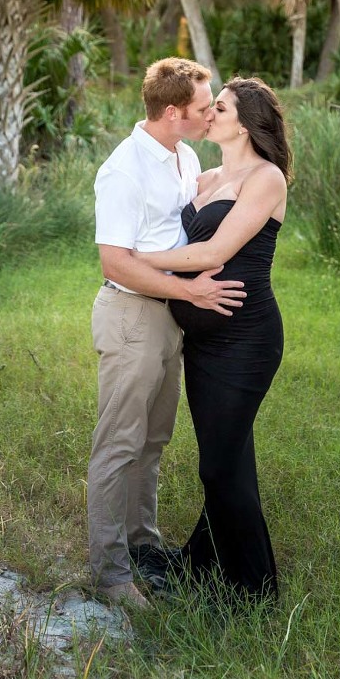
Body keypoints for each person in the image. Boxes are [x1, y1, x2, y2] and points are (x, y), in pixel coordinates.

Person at [88, 57, 245, 610]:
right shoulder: (124, 169)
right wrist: (191, 293)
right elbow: (115, 262)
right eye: (204, 108)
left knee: (152, 441)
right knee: (119, 444)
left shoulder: (185, 155)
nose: (211, 115)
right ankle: (110, 576)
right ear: (174, 111)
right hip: (132, 315)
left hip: (169, 318)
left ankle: (144, 547)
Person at [133, 75, 291, 603]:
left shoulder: (266, 179)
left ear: (243, 124)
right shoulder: (204, 177)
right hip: (203, 344)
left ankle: (252, 592)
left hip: (247, 342)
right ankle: (201, 564)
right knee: (227, 460)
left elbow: (212, 253)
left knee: (219, 466)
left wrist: (132, 259)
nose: (208, 113)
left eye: (218, 108)